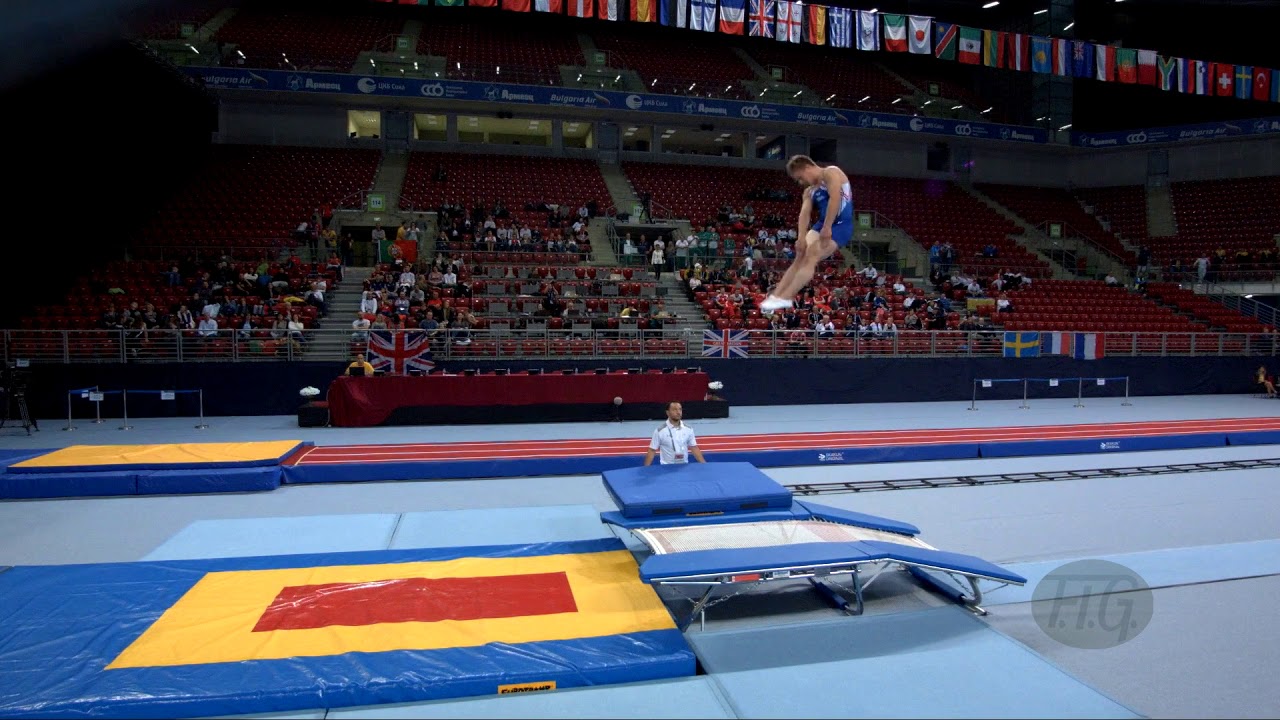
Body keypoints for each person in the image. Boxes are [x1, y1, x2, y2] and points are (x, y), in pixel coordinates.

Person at [761, 155, 854, 312]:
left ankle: (786, 297)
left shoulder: (830, 172)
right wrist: (801, 238)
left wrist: (827, 227)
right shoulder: (809, 191)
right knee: (800, 255)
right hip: (822, 224)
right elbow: (804, 214)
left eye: (800, 177)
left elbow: (835, 199)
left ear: (807, 168)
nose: (801, 182)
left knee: (812, 255)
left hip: (840, 225)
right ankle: (776, 296)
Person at [643, 401, 707, 466]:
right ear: (667, 412)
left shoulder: (688, 429)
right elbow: (652, 450)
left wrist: (704, 465)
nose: (678, 412)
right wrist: (645, 469)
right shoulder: (660, 431)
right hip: (666, 467)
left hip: (684, 466)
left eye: (680, 409)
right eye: (674, 409)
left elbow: (694, 448)